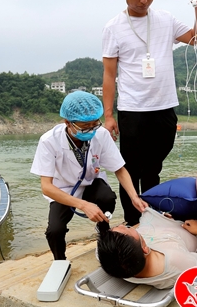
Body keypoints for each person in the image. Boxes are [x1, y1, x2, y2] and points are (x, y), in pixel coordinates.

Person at [102, 0, 197, 227]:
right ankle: (132, 223)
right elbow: (109, 75)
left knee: (153, 169)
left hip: (164, 109)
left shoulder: (165, 20)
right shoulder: (114, 27)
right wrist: (108, 116)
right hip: (132, 110)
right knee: (130, 170)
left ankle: (151, 222)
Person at [30, 91, 147, 260]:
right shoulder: (48, 141)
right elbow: (46, 187)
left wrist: (134, 197)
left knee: (107, 198)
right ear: (67, 122)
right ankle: (60, 261)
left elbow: (119, 169)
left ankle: (103, 234)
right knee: (54, 230)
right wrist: (83, 205)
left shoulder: (101, 134)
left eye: (95, 124)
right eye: (85, 126)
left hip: (91, 183)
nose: (91, 129)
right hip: (62, 189)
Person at [97, 209, 197, 289]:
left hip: (158, 214)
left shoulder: (108, 254)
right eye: (128, 229)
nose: (123, 225)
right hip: (190, 218)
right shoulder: (176, 261)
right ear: (145, 249)